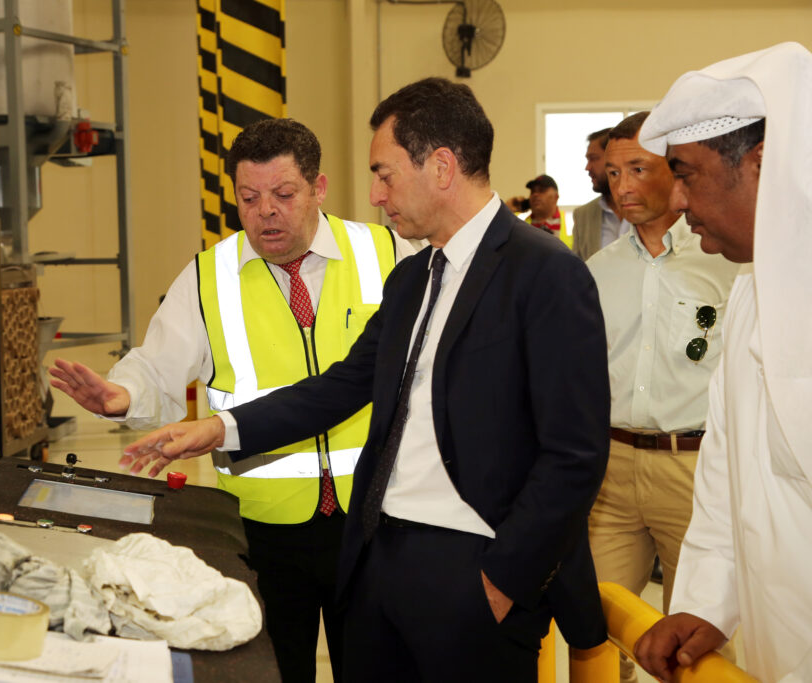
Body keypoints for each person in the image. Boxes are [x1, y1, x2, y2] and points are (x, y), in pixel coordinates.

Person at [122, 77, 610, 681]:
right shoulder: (414, 277)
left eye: (385, 175)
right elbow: (340, 387)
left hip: (476, 569)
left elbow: (574, 455)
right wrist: (219, 430)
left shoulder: (544, 273)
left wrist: (503, 580)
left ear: (441, 167)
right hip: (383, 560)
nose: (376, 196)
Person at [48, 117, 415, 683]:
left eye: (283, 194)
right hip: (262, 531)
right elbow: (156, 366)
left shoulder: (388, 252)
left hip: (375, 522)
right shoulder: (208, 276)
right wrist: (121, 394)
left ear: (318, 188)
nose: (265, 211)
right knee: (273, 671)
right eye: (249, 198)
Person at [631, 42, 812, 682]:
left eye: (687, 174)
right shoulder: (749, 296)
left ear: (763, 163)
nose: (676, 201)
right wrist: (707, 603)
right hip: (774, 642)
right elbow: (727, 475)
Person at [586, 112, 739, 682]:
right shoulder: (597, 271)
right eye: (612, 172)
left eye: (637, 169)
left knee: (697, 643)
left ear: (674, 171)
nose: (622, 186)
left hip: (695, 471)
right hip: (612, 471)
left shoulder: (726, 261)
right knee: (594, 627)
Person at [572, 128, 630, 260]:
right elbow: (578, 267)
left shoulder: (650, 207)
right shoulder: (583, 216)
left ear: (615, 158)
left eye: (593, 159)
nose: (587, 167)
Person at [525, 173, 572, 248]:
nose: (535, 194)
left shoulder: (571, 222)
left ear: (556, 197)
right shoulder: (521, 222)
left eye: (542, 190)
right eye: (532, 191)